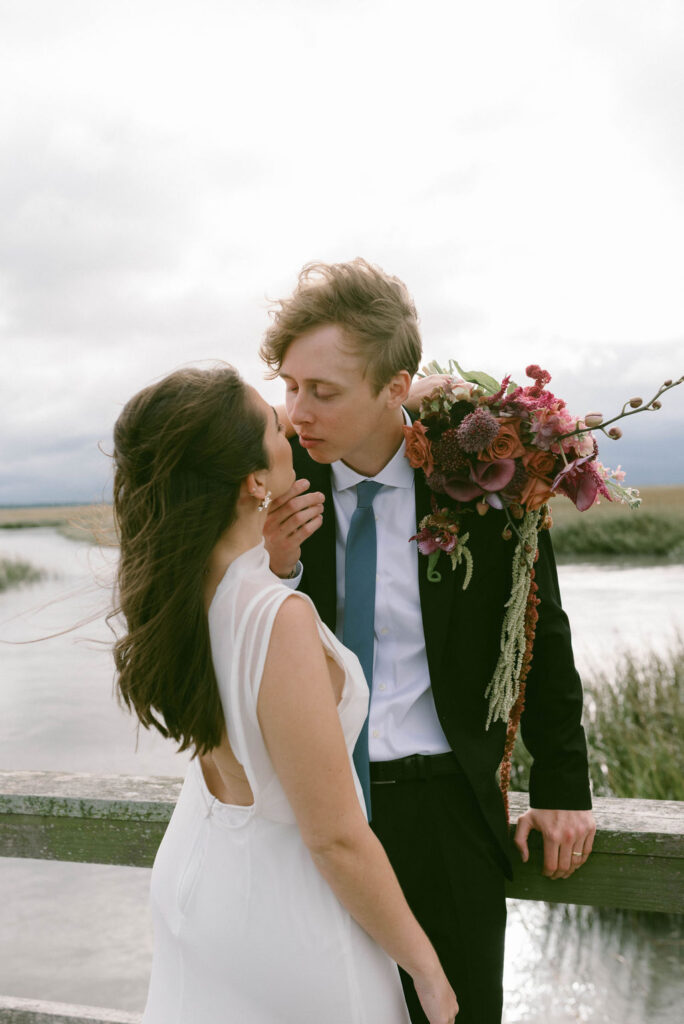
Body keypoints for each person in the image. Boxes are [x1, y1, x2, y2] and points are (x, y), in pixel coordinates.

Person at [260, 260, 596, 1024]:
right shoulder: (274, 484)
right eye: (290, 385)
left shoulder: (489, 482)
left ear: (394, 386)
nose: (297, 410)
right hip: (310, 815)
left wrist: (563, 794)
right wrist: (276, 570)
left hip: (448, 812)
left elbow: (541, 635)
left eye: (323, 391)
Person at [111, 365, 458, 1024]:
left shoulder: (178, 593)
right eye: (275, 422)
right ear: (254, 480)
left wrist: (392, 397)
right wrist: (425, 967)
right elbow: (335, 839)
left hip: (201, 881)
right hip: (285, 913)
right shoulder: (276, 618)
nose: (291, 422)